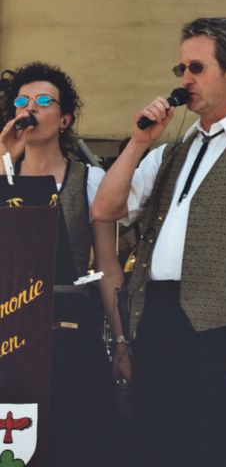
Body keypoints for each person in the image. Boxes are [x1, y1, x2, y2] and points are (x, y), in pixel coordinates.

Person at [93, 17, 226, 467]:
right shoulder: (173, 149)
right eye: (182, 69)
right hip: (157, 318)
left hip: (223, 329)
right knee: (154, 449)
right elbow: (105, 209)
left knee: (216, 449)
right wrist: (137, 143)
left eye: (197, 68)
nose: (185, 80)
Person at [0, 62, 130, 467]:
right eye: (22, 101)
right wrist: (4, 163)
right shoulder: (2, 175)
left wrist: (121, 342)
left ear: (65, 119)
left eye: (44, 100)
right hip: (10, 334)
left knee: (76, 443)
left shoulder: (90, 180)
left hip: (70, 330)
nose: (30, 108)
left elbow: (107, 266)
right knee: (14, 451)